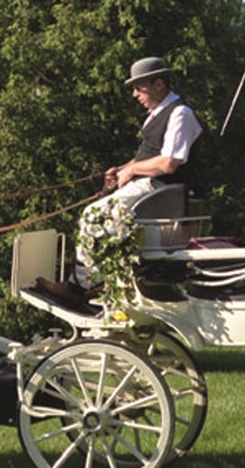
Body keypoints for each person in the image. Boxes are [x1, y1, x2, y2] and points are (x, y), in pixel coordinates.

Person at [38, 56, 203, 302]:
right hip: (154, 187)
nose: (135, 94)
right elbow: (149, 157)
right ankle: (102, 280)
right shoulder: (156, 115)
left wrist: (131, 171)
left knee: (94, 215)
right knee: (100, 217)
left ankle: (81, 287)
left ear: (159, 84)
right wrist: (122, 170)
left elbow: (169, 163)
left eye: (139, 87)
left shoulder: (180, 113)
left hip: (164, 189)